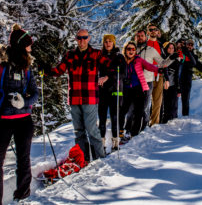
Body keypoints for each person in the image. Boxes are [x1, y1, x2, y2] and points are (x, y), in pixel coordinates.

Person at [40, 29, 110, 161]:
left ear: (88, 38)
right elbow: (59, 70)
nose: (81, 40)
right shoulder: (70, 55)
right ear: (76, 39)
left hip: (90, 97)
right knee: (78, 131)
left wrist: (107, 75)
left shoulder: (96, 54)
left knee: (91, 129)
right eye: (79, 38)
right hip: (74, 98)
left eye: (84, 37)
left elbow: (110, 66)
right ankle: (81, 158)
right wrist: (46, 70)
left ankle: (101, 157)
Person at [0, 24, 39, 204]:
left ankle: (22, 196)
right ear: (21, 45)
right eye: (28, 44)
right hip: (3, 120)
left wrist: (25, 102)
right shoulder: (2, 65)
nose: (31, 47)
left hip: (24, 120)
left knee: (23, 160)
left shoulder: (27, 67)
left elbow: (35, 93)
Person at [119, 41, 164, 139]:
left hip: (138, 89)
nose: (131, 51)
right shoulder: (121, 60)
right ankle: (121, 131)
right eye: (129, 49)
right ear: (125, 50)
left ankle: (134, 133)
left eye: (133, 49)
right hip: (125, 90)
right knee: (123, 111)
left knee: (139, 112)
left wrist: (158, 70)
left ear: (135, 51)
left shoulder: (138, 60)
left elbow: (149, 66)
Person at [135, 30, 171, 129]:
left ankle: (147, 125)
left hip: (150, 79)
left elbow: (162, 62)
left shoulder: (153, 49)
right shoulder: (131, 49)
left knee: (149, 105)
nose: (140, 38)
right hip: (135, 82)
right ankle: (134, 127)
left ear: (145, 37)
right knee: (136, 106)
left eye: (142, 36)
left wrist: (171, 58)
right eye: (138, 36)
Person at [98, 34, 126, 152]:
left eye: (110, 41)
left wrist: (108, 77)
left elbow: (123, 74)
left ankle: (115, 143)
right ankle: (102, 144)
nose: (108, 43)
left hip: (115, 90)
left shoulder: (119, 57)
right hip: (102, 91)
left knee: (115, 118)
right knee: (102, 118)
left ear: (114, 43)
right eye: (106, 42)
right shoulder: (100, 56)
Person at [146, 23, 167, 126]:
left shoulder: (161, 45)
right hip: (146, 76)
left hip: (159, 76)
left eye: (155, 29)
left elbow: (164, 62)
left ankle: (154, 123)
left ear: (157, 31)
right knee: (144, 101)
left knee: (157, 102)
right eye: (151, 29)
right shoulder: (144, 44)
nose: (153, 31)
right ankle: (143, 122)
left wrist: (166, 78)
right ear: (148, 32)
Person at [161, 42, 181, 123]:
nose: (171, 50)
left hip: (173, 84)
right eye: (169, 48)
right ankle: (164, 120)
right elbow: (162, 66)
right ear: (166, 49)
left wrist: (178, 88)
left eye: (172, 48)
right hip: (163, 84)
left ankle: (173, 119)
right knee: (165, 104)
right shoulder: (162, 58)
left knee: (173, 104)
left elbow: (177, 75)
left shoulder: (176, 59)